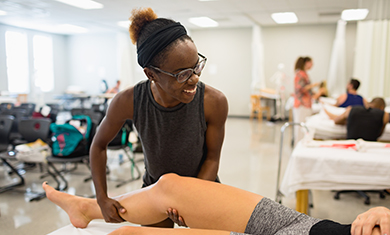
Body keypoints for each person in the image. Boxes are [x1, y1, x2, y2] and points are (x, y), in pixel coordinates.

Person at [89, 7, 228, 228]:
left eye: (196, 67)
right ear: (151, 74)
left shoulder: (213, 102)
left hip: (202, 188)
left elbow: (212, 159)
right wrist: (102, 198)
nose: (193, 79)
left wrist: (189, 200)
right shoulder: (129, 101)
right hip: (154, 193)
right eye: (182, 74)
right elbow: (98, 146)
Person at [42, 173, 390, 235]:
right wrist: (381, 212)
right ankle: (86, 209)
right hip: (310, 227)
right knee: (169, 185)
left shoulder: (214, 100)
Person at [325, 97, 389, 141]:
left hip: (351, 145)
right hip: (370, 146)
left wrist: (350, 121)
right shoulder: (384, 115)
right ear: (382, 107)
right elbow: (379, 134)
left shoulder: (351, 109)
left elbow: (336, 121)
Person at [293, 56, 320, 141]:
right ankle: (298, 148)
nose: (312, 65)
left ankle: (301, 145)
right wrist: (313, 85)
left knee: (303, 127)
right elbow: (300, 89)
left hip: (306, 104)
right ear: (306, 63)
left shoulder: (304, 74)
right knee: (300, 128)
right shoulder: (300, 74)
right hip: (301, 104)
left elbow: (308, 91)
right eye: (311, 63)